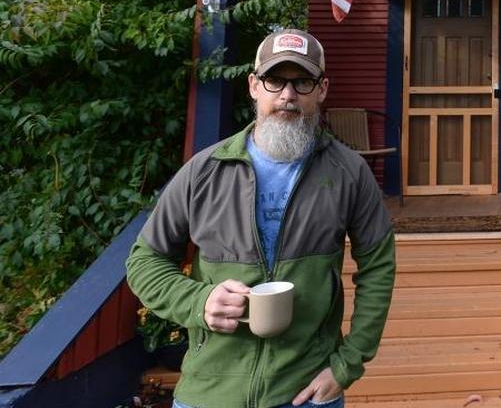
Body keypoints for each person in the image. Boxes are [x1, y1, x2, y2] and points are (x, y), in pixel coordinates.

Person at [126, 29, 396, 408]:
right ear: (254, 86)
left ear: (321, 90)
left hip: (305, 393)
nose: (288, 95)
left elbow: (378, 267)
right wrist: (198, 300)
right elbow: (144, 262)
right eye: (274, 80)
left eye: (302, 81)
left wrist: (348, 364)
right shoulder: (204, 171)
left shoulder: (349, 172)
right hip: (210, 391)